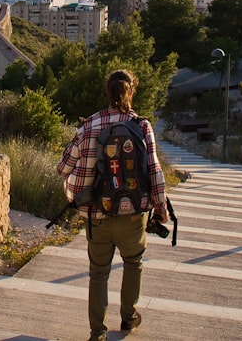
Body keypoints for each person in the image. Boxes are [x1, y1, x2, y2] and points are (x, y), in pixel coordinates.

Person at [56, 69, 168, 341]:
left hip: (96, 214)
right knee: (133, 263)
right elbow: (153, 170)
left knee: (98, 273)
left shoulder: (89, 125)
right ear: (131, 92)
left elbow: (63, 169)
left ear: (108, 92)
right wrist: (161, 208)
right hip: (132, 215)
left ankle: (98, 332)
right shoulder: (142, 126)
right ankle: (129, 318)